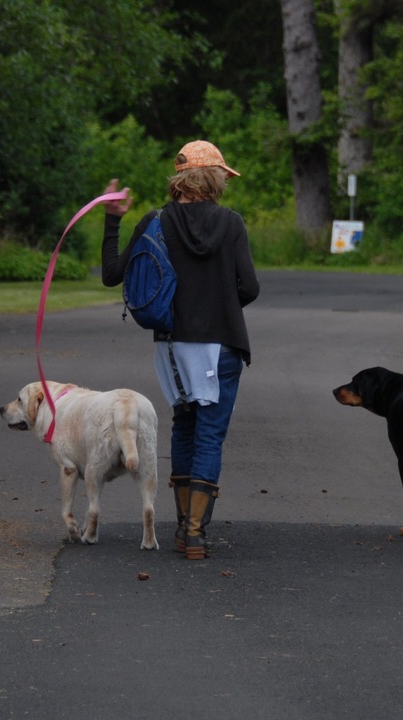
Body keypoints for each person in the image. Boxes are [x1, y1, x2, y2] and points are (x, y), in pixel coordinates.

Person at [100, 140, 260, 561]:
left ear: (180, 177)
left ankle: (182, 530)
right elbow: (250, 287)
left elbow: (112, 275)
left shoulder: (155, 221)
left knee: (185, 428)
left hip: (172, 347)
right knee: (210, 434)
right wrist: (219, 306)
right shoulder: (232, 223)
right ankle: (195, 534)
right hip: (221, 345)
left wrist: (113, 220)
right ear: (215, 178)